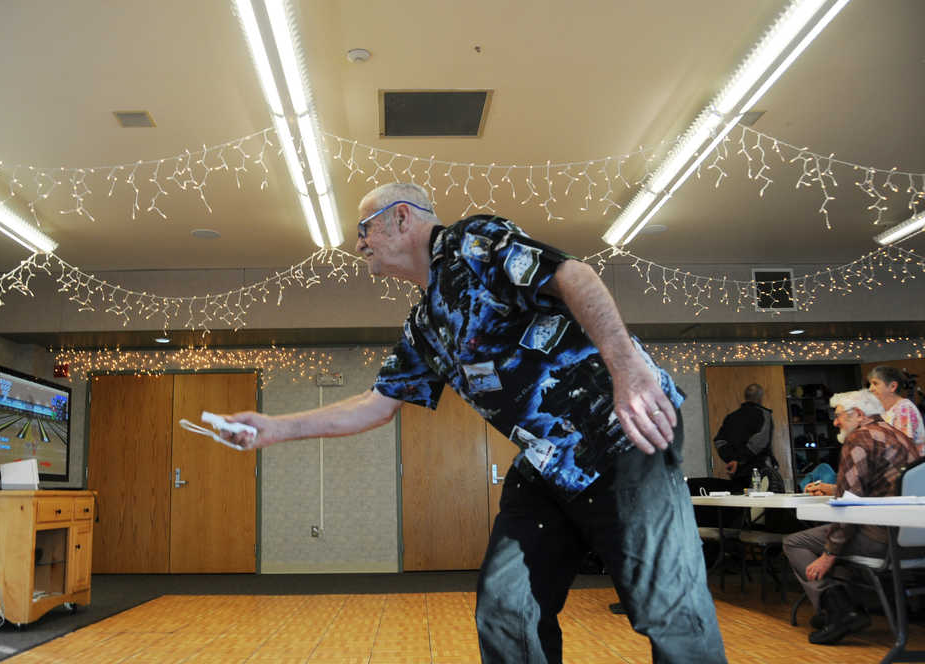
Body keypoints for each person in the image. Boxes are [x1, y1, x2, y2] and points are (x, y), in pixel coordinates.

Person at [221, 182, 727, 663]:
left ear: (401, 218)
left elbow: (573, 275)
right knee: (508, 609)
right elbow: (376, 404)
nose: (358, 244)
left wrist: (628, 369)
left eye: (364, 229)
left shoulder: (472, 242)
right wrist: (274, 428)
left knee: (668, 610)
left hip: (622, 433)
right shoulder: (424, 325)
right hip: (547, 462)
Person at [783, 389, 920, 645]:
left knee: (796, 542)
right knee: (832, 539)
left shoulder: (859, 439)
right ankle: (844, 606)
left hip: (881, 539)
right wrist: (833, 489)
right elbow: (884, 489)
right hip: (912, 541)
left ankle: (841, 611)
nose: (835, 422)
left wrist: (828, 555)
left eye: (838, 416)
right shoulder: (899, 436)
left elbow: (848, 507)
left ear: (858, 414)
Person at [712, 383, 780, 492]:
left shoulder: (731, 417)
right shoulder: (764, 414)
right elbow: (760, 442)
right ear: (760, 397)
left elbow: (719, 441)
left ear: (746, 397)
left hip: (736, 472)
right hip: (759, 470)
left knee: (741, 504)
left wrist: (731, 459)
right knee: (761, 505)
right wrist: (739, 460)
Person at [868, 365, 925, 455]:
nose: (870, 389)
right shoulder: (881, 410)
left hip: (912, 465)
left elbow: (903, 446)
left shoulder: (904, 407)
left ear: (893, 386)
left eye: (875, 383)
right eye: (870, 384)